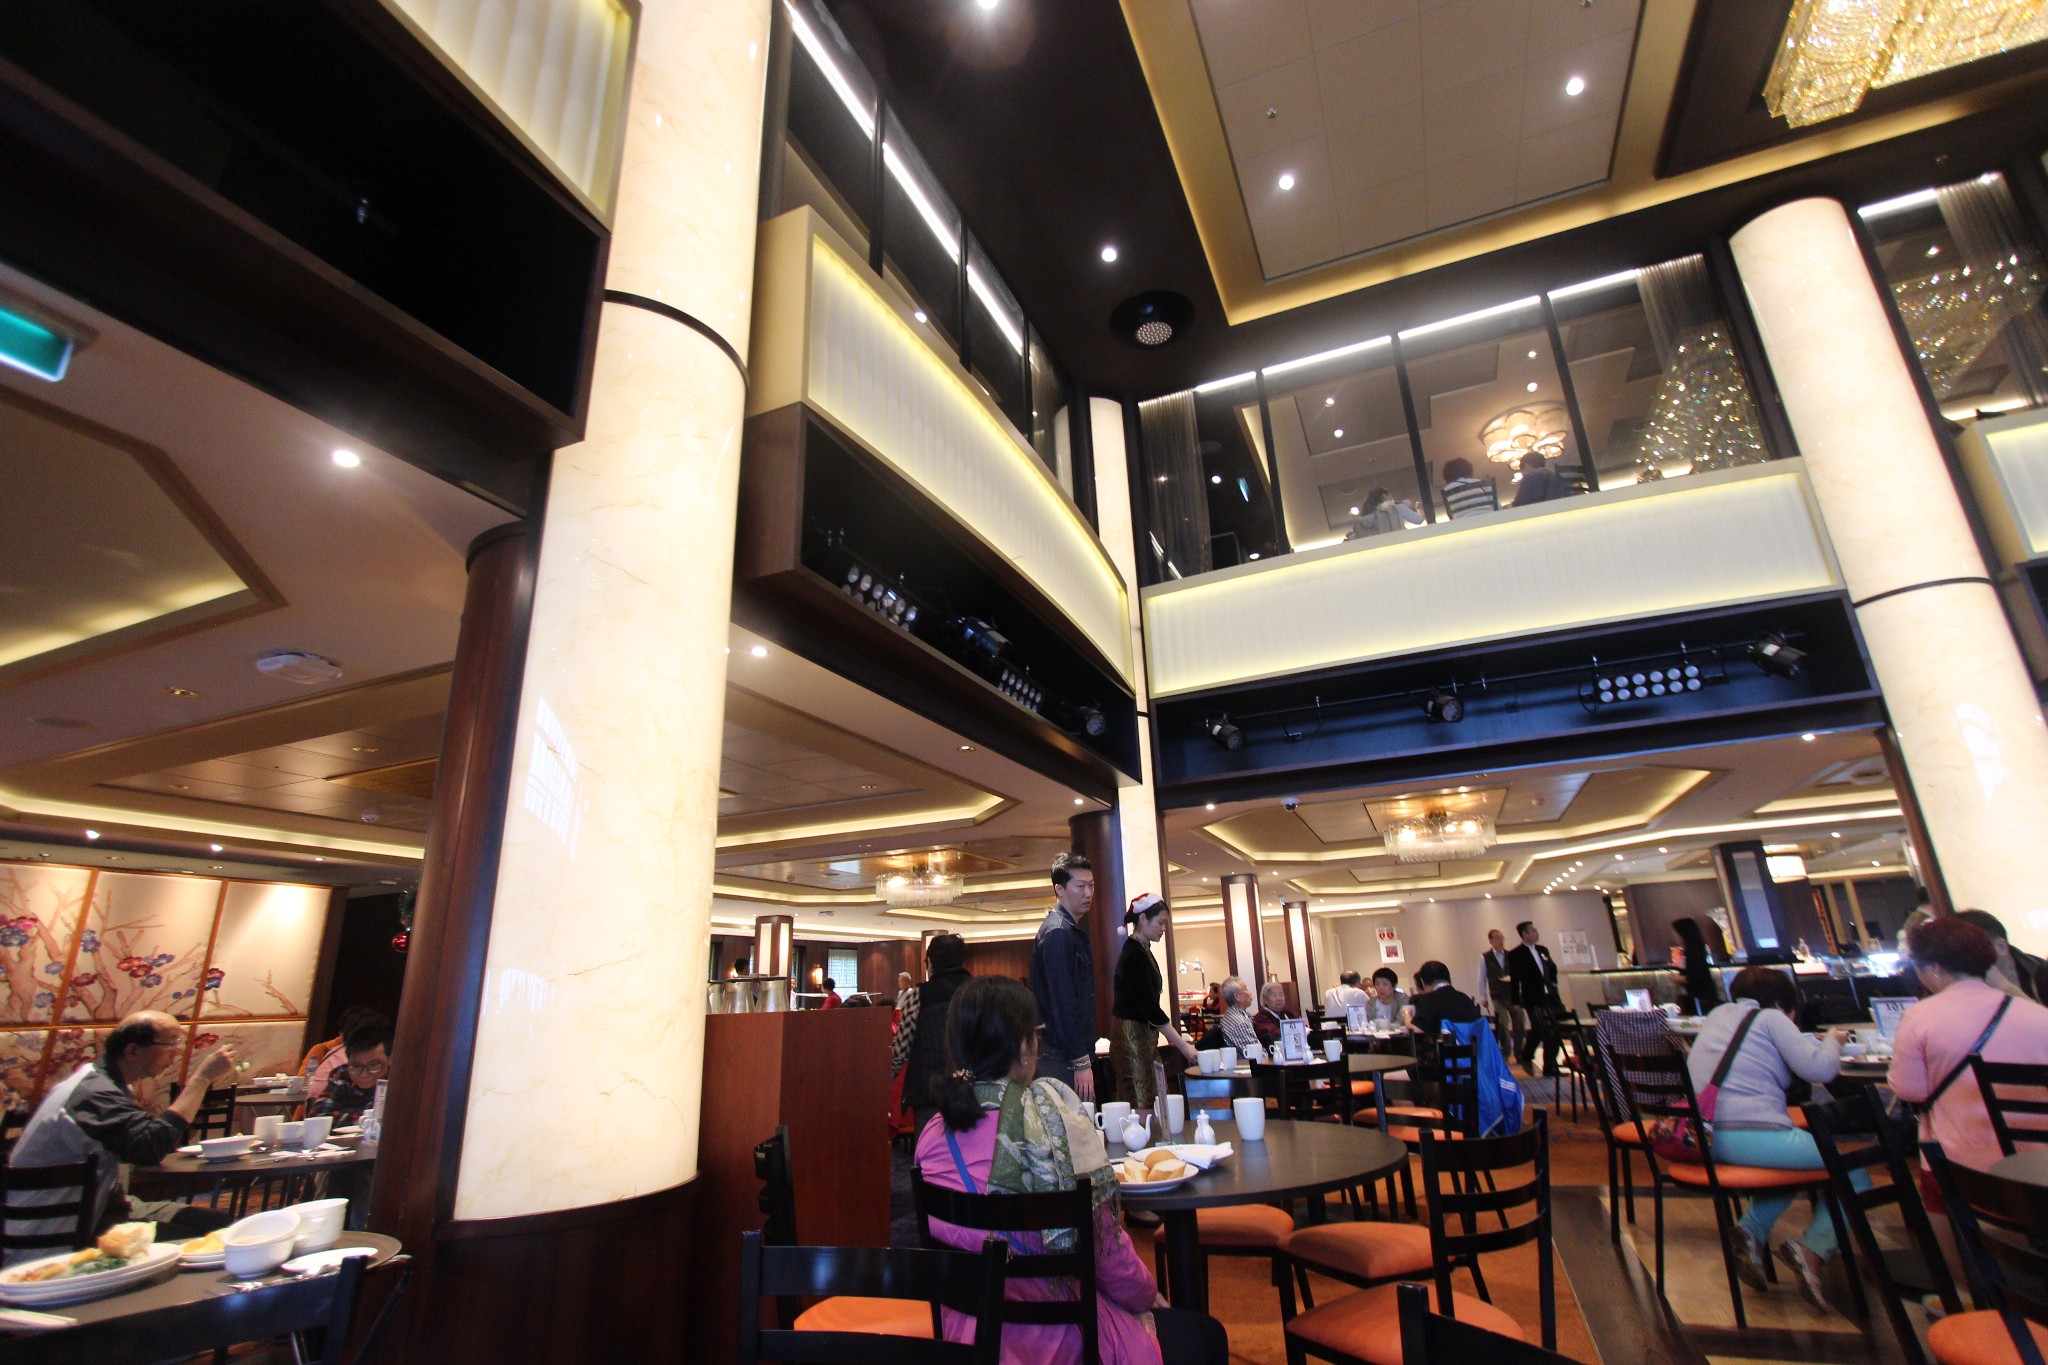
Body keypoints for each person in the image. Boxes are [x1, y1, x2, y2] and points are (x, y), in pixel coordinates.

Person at [916, 976, 1229, 1365]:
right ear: (1022, 1047)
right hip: (1058, 1338)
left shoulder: (931, 1136)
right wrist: (1146, 1294)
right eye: (1036, 1036)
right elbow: (1105, 1249)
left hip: (968, 1335)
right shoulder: (1050, 1124)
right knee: (1205, 1336)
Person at [1687, 966, 1866, 1308]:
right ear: (1784, 1004)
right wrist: (1833, 1040)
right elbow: (1821, 1070)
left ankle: (1751, 1231)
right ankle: (1811, 1251)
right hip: (1754, 1137)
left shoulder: (1717, 1016)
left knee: (1792, 1168)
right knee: (1854, 1171)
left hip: (1705, 1139)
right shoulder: (1772, 1017)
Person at [6, 1011, 238, 1259]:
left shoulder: (106, 1084)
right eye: (170, 1045)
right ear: (132, 1051)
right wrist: (201, 1079)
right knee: (199, 1243)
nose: (176, 1053)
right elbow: (149, 1147)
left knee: (218, 1226)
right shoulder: (93, 1092)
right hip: (57, 1232)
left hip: (102, 1209)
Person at [1889, 916, 2048, 1173]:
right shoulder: (2038, 1014)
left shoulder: (1919, 1017)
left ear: (1934, 967)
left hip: (1963, 1166)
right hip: (2039, 1166)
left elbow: (1909, 1089)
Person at [1111, 895, 1198, 1107]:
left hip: (1142, 1036)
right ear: (1143, 919)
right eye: (1160, 922)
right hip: (1132, 1037)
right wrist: (1183, 1046)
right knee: (1140, 1099)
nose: (1163, 928)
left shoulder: (1141, 950)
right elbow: (1150, 1008)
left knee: (1151, 1096)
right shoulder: (1134, 954)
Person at [1029, 852, 1098, 1102]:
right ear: (1059, 889)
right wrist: (1081, 1061)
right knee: (1072, 1123)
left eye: (1091, 885)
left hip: (1063, 1055)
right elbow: (1063, 1002)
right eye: (1080, 886)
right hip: (1060, 1058)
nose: (1088, 893)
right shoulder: (1057, 933)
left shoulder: (1066, 929)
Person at [895, 933, 973, 1134]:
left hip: (929, 1093)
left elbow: (900, 1051)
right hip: (973, 1090)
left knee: (931, 1149)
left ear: (930, 963)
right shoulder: (980, 991)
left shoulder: (919, 996)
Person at [308, 1017, 390, 1127]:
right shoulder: (342, 1074)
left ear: (390, 1060)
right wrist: (365, 1120)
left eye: (373, 1065)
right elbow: (318, 1116)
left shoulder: (400, 1081)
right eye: (356, 1066)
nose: (363, 1074)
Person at [1952, 909, 2046, 1003]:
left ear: (2001, 947)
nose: (1964, 961)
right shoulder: (1958, 990)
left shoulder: (2042, 974)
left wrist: (2003, 986)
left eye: (1969, 951)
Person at [1509, 922, 1562, 1076]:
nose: (1536, 932)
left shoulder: (1542, 950)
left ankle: (1550, 1066)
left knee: (1554, 1030)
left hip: (1550, 996)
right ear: (1525, 934)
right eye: (1533, 930)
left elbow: (1552, 967)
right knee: (1539, 1028)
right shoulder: (1516, 954)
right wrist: (1515, 1001)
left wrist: (1553, 982)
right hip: (1532, 997)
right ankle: (1527, 1054)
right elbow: (1515, 979)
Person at [1477, 929, 1522, 1059]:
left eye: (1502, 938)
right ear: (1491, 941)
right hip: (1497, 995)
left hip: (1513, 994)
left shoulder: (1510, 955)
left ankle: (1519, 1052)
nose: (1500, 941)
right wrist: (1483, 997)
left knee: (1519, 1021)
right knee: (1502, 1022)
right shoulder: (1485, 957)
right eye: (1497, 938)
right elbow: (1481, 978)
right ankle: (1506, 1051)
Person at [1405, 960, 1483, 1034]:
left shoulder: (1429, 1000)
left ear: (1422, 982)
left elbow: (1415, 1031)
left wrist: (1407, 1013)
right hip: (1471, 1043)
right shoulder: (1464, 998)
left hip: (1445, 1043)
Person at [1673, 917, 1724, 1016]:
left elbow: (1695, 976)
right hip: (1699, 996)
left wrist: (1677, 978)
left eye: (1675, 932)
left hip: (1700, 997)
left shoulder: (1693, 951)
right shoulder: (1692, 949)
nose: (1674, 935)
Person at [1215, 977, 1259, 1053]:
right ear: (1237, 997)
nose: (1250, 993)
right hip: (1245, 1060)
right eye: (1246, 989)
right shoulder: (1240, 1023)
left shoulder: (1231, 1015)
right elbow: (1255, 1053)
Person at [1252, 981, 1297, 1046]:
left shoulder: (1289, 1014)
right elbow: (1274, 1035)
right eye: (1274, 995)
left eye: (1281, 994)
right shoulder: (1260, 1018)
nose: (1278, 998)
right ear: (1265, 1000)